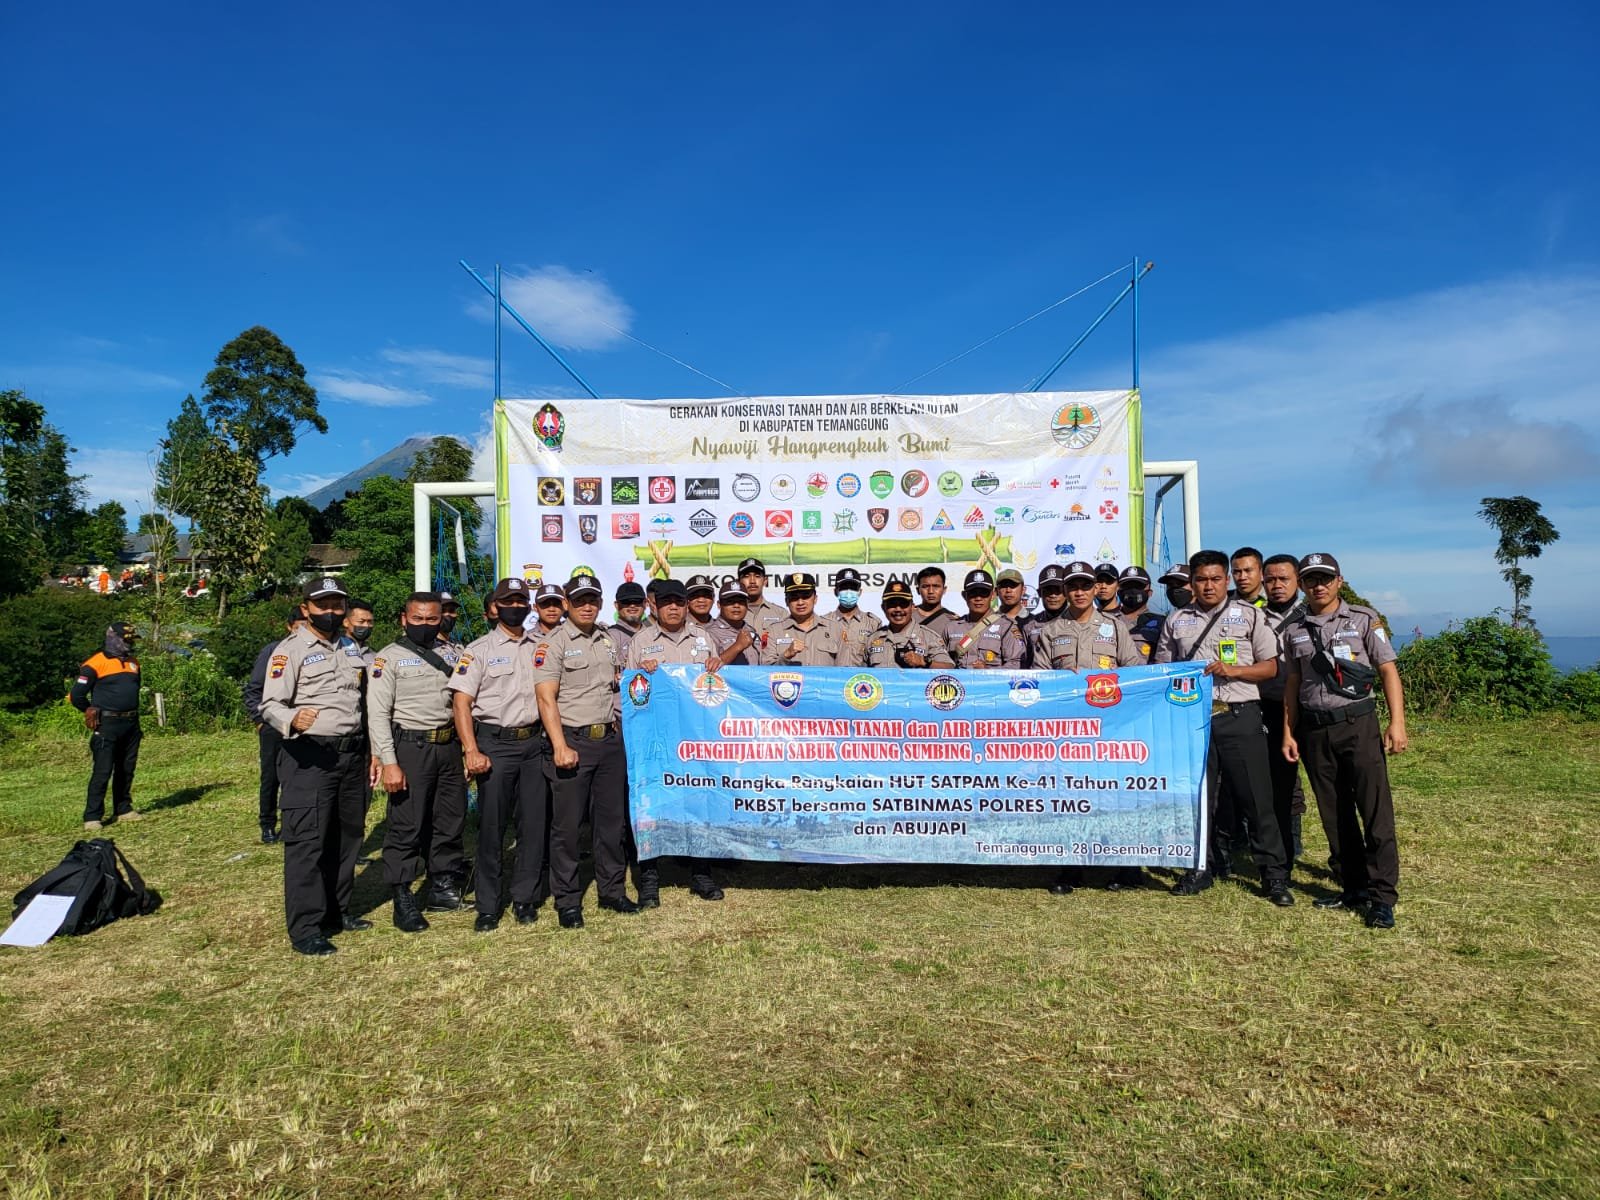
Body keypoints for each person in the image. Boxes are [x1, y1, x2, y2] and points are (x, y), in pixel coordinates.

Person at [1153, 550, 1292, 906]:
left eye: (1216, 579)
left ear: (1226, 580)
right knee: (1197, 800)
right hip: (1192, 720)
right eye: (1202, 580)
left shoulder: (1248, 615)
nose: (1209, 585)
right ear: (1192, 583)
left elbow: (1272, 667)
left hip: (1239, 714)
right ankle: (1200, 869)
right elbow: (1161, 670)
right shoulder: (1176, 620)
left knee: (1256, 799)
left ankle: (1273, 876)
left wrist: (1236, 671)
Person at [1282, 552, 1406, 929]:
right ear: (1302, 585)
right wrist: (1289, 730)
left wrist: (1396, 723)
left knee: (1374, 810)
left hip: (1358, 724)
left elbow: (1387, 669)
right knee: (1334, 813)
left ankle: (1382, 896)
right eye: (1310, 579)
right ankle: (1352, 885)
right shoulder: (1294, 629)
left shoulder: (1364, 620)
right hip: (1315, 729)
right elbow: (1292, 682)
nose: (1318, 586)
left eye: (1325, 578)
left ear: (1339, 581)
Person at [259, 577, 376, 956]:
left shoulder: (351, 647)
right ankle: (306, 927)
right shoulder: (289, 650)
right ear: (306, 607)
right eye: (322, 605)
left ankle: (337, 912)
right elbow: (270, 705)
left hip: (351, 753)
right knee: (308, 842)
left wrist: (373, 750)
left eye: (337, 605)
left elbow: (363, 701)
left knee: (346, 838)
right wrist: (293, 719)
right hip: (309, 755)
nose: (330, 611)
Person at [534, 573, 640, 928]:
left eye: (592, 599)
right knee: (567, 827)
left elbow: (615, 681)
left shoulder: (607, 639)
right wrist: (560, 745)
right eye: (580, 600)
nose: (587, 606)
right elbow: (545, 697)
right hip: (573, 742)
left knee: (611, 825)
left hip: (609, 741)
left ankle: (612, 891)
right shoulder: (553, 643)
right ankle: (567, 900)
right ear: (566, 603)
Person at [449, 576, 550, 932]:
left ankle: (525, 898)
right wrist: (471, 749)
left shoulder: (541, 646)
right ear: (494, 608)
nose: (516, 606)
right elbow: (461, 703)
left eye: (522, 600)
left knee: (533, 826)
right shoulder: (478, 650)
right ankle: (488, 905)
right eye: (508, 601)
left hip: (534, 745)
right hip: (495, 746)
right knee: (492, 829)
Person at [367, 591, 468, 932]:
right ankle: (403, 897)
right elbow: (378, 713)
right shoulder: (388, 658)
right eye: (418, 619)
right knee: (406, 824)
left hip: (449, 746)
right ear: (403, 619)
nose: (425, 625)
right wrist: (388, 762)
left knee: (450, 819)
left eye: (432, 619)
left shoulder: (455, 654)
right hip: (411, 747)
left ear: (441, 619)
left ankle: (442, 886)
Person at [623, 578, 722, 901]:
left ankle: (701, 873)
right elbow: (631, 691)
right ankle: (650, 876)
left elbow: (717, 688)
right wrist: (642, 673)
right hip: (656, 738)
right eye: (667, 602)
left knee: (699, 803)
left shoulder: (704, 639)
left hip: (696, 737)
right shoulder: (641, 642)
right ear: (655, 605)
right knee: (652, 803)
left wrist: (715, 666)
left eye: (679, 602)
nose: (674, 608)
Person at [70, 621, 144, 832]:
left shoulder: (133, 663)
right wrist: (89, 710)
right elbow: (77, 695)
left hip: (130, 723)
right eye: (125, 640)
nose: (129, 644)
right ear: (113, 638)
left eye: (131, 640)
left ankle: (123, 809)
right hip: (106, 723)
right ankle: (92, 816)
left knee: (126, 769)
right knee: (102, 771)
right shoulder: (95, 663)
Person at [1260, 554, 1309, 859]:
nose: (1277, 586)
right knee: (1279, 777)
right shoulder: (1255, 616)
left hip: (1310, 706)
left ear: (1298, 582)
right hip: (1269, 705)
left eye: (1284, 579)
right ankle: (1287, 845)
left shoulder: (1310, 615)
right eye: (1271, 580)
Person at [243, 605, 303, 843]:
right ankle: (267, 824)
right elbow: (253, 690)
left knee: (298, 777)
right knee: (271, 776)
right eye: (299, 627)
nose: (303, 631)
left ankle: (294, 824)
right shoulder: (273, 652)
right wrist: (260, 721)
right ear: (289, 627)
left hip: (302, 725)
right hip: (273, 725)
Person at [1026, 562, 1142, 671]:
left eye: (1086, 586)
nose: (1079, 593)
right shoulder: (1050, 631)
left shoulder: (1116, 627)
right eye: (1073, 587)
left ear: (1095, 589)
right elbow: (1042, 677)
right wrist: (1061, 677)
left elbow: (1133, 672)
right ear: (1064, 591)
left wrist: (1118, 674)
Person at [860, 580, 955, 668]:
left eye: (903, 604)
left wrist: (924, 662)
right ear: (883, 608)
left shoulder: (929, 638)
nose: (898, 609)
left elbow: (950, 667)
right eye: (892, 604)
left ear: (913, 607)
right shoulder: (873, 639)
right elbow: (863, 674)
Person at [945, 569, 1025, 669]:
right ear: (964, 595)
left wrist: (988, 671)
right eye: (973, 593)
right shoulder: (951, 628)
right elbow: (941, 662)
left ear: (993, 595)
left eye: (984, 593)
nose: (978, 598)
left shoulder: (1006, 627)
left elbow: (1017, 664)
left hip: (992, 684)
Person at [761, 573, 847, 665]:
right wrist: (786, 655)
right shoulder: (772, 632)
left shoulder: (836, 629)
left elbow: (845, 670)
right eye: (794, 597)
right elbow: (765, 672)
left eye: (806, 596)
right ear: (786, 601)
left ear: (815, 599)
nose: (800, 602)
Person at [821, 567, 878, 661]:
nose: (848, 592)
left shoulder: (873, 623)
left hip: (861, 676)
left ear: (860, 592)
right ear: (836, 592)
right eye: (843, 587)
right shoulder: (823, 623)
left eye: (853, 588)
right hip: (832, 676)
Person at [1114, 566, 1165, 660]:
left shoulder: (1163, 624)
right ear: (1118, 592)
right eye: (1127, 586)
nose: (1133, 590)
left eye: (1138, 586)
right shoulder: (1106, 621)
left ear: (1150, 592)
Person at [707, 581, 761, 667]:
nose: (736, 605)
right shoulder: (709, 634)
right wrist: (738, 646)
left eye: (741, 601)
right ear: (719, 605)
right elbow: (707, 669)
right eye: (730, 601)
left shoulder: (752, 632)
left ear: (747, 605)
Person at [736, 557, 787, 632]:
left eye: (757, 576)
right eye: (746, 576)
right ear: (738, 582)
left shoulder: (780, 613)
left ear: (765, 581)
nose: (752, 581)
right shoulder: (732, 613)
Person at [608, 581, 649, 662]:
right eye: (626, 601)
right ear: (617, 605)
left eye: (637, 601)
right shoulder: (610, 636)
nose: (632, 605)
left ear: (645, 604)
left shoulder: (653, 633)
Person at [914, 566, 958, 638]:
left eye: (936, 586)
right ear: (918, 590)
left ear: (944, 590)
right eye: (925, 586)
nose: (931, 591)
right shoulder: (907, 616)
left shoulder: (953, 621)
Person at [342, 598, 377, 666]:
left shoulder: (375, 655)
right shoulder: (337, 651)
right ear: (346, 622)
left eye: (369, 621)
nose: (366, 625)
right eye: (361, 621)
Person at [436, 590, 465, 665]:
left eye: (451, 610)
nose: (447, 615)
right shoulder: (428, 647)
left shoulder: (460, 647)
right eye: (442, 610)